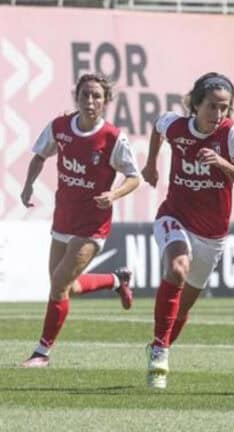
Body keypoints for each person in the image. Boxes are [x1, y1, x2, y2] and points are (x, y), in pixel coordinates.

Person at [141, 72, 234, 389]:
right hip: (174, 216)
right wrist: (151, 165)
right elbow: (157, 128)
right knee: (177, 268)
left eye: (224, 108)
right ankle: (160, 351)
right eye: (211, 107)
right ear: (195, 104)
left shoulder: (231, 136)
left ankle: (159, 345)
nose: (218, 115)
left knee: (182, 308)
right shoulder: (176, 126)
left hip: (212, 235)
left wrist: (222, 163)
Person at [19, 73, 141, 368]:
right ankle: (116, 280)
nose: (90, 101)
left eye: (97, 96)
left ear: (106, 101)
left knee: (59, 283)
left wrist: (113, 195)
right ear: (77, 96)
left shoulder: (113, 138)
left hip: (92, 224)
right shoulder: (60, 127)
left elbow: (134, 178)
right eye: (85, 94)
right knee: (65, 287)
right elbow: (39, 156)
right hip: (64, 217)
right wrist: (28, 185)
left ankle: (42, 353)